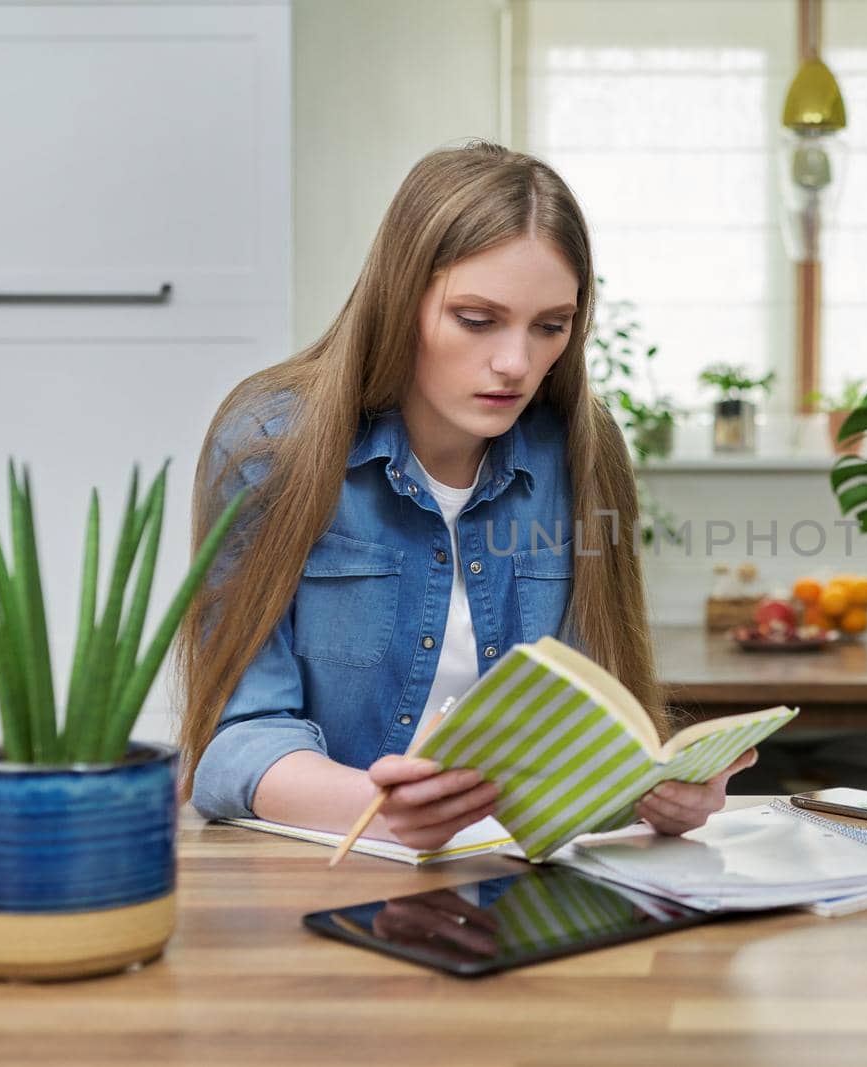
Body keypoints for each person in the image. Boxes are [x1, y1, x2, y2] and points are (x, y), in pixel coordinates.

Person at [177, 142, 755, 849]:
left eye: (551, 326)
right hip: (323, 868)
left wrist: (658, 793)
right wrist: (378, 807)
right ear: (400, 298)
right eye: (477, 320)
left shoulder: (582, 448)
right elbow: (234, 738)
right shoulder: (271, 442)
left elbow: (600, 721)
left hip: (521, 875)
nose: (516, 364)